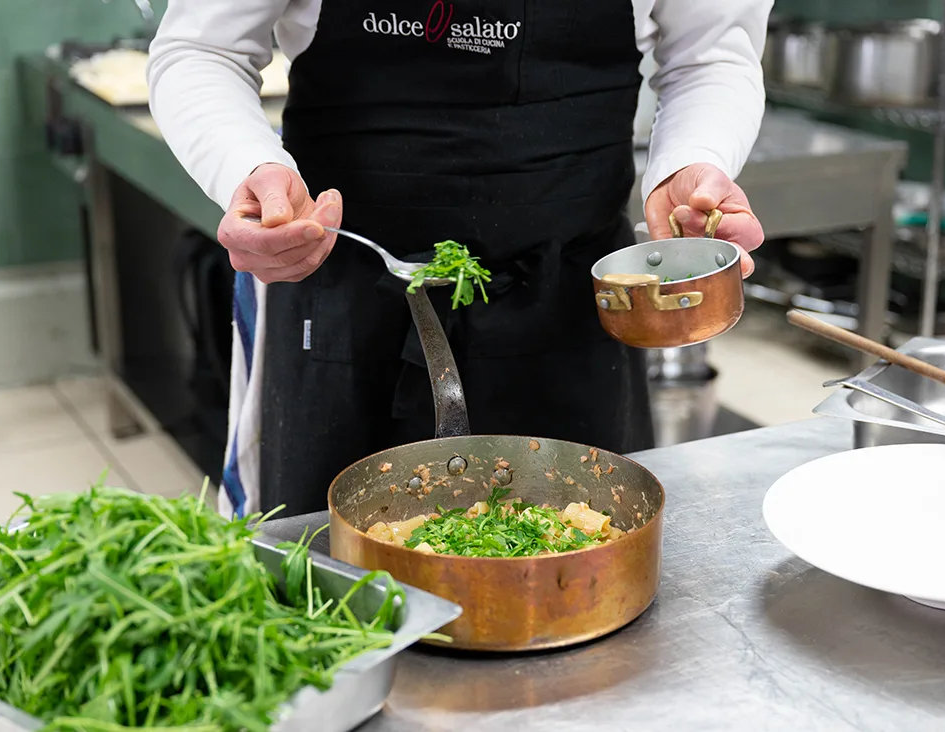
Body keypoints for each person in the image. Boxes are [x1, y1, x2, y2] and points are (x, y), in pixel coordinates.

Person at [148, 0, 770, 520]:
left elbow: (710, 54)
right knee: (329, 595)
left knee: (578, 581)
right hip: (342, 293)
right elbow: (203, 50)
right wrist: (249, 168)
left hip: (568, 307)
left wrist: (695, 157)